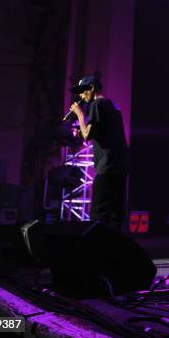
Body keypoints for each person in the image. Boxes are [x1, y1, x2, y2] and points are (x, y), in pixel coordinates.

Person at [69, 75, 129, 231]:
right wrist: (80, 129)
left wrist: (79, 114)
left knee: (99, 213)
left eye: (83, 91)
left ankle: (97, 251)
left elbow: (88, 134)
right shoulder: (112, 106)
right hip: (119, 166)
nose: (81, 96)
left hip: (106, 167)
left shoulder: (98, 103)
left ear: (92, 88)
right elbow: (98, 132)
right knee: (115, 214)